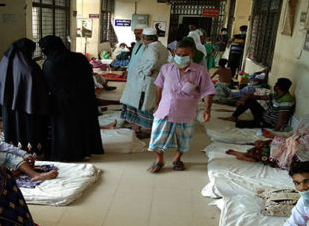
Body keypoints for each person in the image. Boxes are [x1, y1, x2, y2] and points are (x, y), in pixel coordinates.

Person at [147, 39, 215, 173]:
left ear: (192, 54)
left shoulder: (200, 71)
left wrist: (207, 109)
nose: (180, 57)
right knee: (156, 137)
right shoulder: (166, 68)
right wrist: (157, 104)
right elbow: (159, 87)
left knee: (183, 140)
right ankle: (159, 160)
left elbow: (208, 90)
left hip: (185, 112)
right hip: (164, 110)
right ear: (174, 53)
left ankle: (177, 158)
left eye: (185, 55)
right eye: (178, 54)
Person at [38, 35, 104, 161]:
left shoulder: (50, 63)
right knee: (81, 125)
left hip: (62, 101)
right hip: (83, 98)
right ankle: (84, 150)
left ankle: (68, 153)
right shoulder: (79, 58)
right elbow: (88, 78)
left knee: (65, 128)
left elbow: (49, 85)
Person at [0, 38, 49, 157]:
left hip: (9, 104)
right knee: (29, 127)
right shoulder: (29, 66)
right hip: (27, 104)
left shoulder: (4, 61)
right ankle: (32, 151)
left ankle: (13, 150)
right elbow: (37, 84)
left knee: (12, 125)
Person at [225, 114, 309, 170]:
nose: (305, 124)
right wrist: (273, 135)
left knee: (275, 147)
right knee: (270, 143)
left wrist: (278, 140)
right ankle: (248, 154)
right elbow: (290, 135)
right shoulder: (305, 130)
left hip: (303, 159)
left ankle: (253, 157)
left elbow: (298, 146)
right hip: (295, 152)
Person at [119, 27, 170, 135]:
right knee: (141, 104)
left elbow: (152, 61)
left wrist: (147, 71)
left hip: (145, 81)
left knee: (145, 105)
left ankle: (149, 129)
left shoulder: (152, 48)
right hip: (148, 80)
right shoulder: (161, 47)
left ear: (144, 37)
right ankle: (137, 127)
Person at [220, 77, 295, 131]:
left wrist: (275, 131)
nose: (274, 86)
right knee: (250, 101)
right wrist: (247, 96)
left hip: (269, 123)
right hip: (264, 115)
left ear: (278, 87)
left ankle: (257, 123)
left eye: (275, 84)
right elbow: (260, 97)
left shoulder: (286, 100)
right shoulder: (276, 95)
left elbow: (282, 117)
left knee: (240, 124)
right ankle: (234, 117)